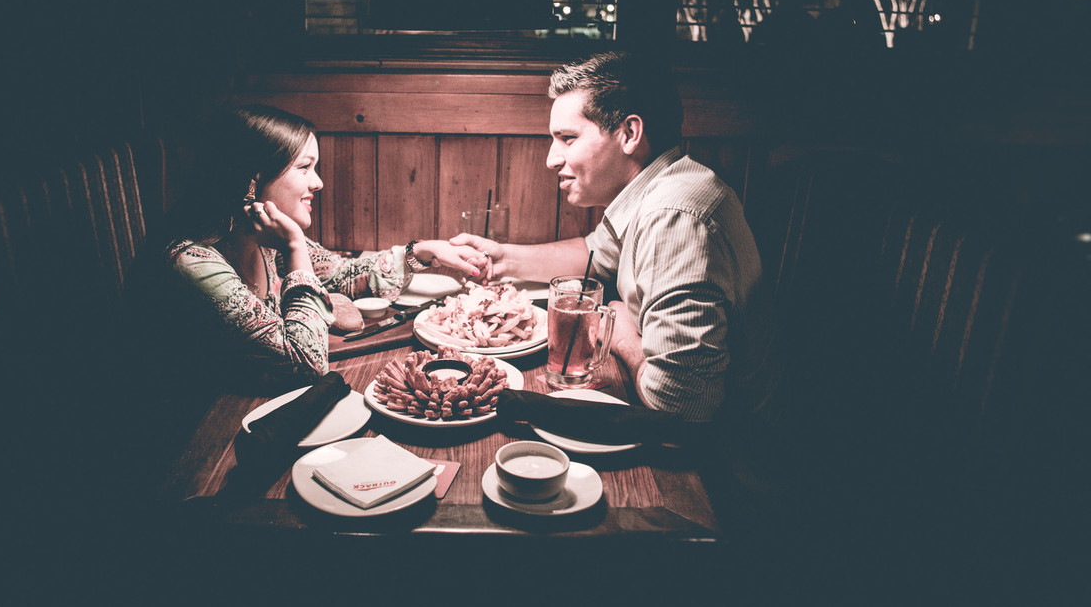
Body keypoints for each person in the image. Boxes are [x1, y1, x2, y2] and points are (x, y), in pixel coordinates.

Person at [452, 52, 768, 421]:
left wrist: (620, 337)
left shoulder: (674, 217)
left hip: (726, 460)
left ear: (630, 134)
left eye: (568, 138)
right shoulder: (662, 186)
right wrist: (501, 257)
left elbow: (680, 404)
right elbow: (593, 253)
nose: (551, 160)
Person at [132, 105, 486, 394]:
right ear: (250, 181)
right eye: (304, 167)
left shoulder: (262, 237)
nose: (318, 182)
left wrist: (423, 252)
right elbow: (306, 363)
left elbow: (345, 276)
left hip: (258, 404)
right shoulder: (192, 262)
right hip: (198, 439)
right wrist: (295, 246)